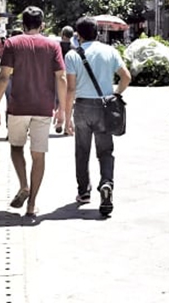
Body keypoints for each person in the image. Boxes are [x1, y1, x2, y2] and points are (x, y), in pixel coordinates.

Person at [0, 6, 66, 216]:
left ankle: (23, 184)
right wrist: (62, 110)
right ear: (42, 25)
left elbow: (4, 76)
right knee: (38, 156)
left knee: (16, 147)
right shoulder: (53, 45)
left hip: (18, 106)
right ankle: (32, 204)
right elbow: (60, 77)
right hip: (43, 108)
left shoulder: (13, 43)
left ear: (22, 25)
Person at [63, 17, 131, 216]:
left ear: (79, 35)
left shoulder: (73, 55)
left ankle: (84, 192)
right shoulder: (110, 51)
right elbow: (126, 76)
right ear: (97, 32)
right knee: (105, 151)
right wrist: (116, 94)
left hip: (83, 106)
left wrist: (67, 117)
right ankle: (106, 184)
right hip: (104, 106)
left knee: (82, 151)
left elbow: (71, 89)